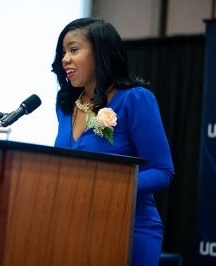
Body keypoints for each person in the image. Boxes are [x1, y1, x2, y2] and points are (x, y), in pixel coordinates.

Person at [52, 17, 174, 266]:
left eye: (73, 50)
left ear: (100, 52)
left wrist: (108, 188)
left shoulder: (135, 100)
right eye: (63, 52)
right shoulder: (65, 105)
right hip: (74, 229)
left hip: (130, 229)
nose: (65, 58)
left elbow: (163, 171)